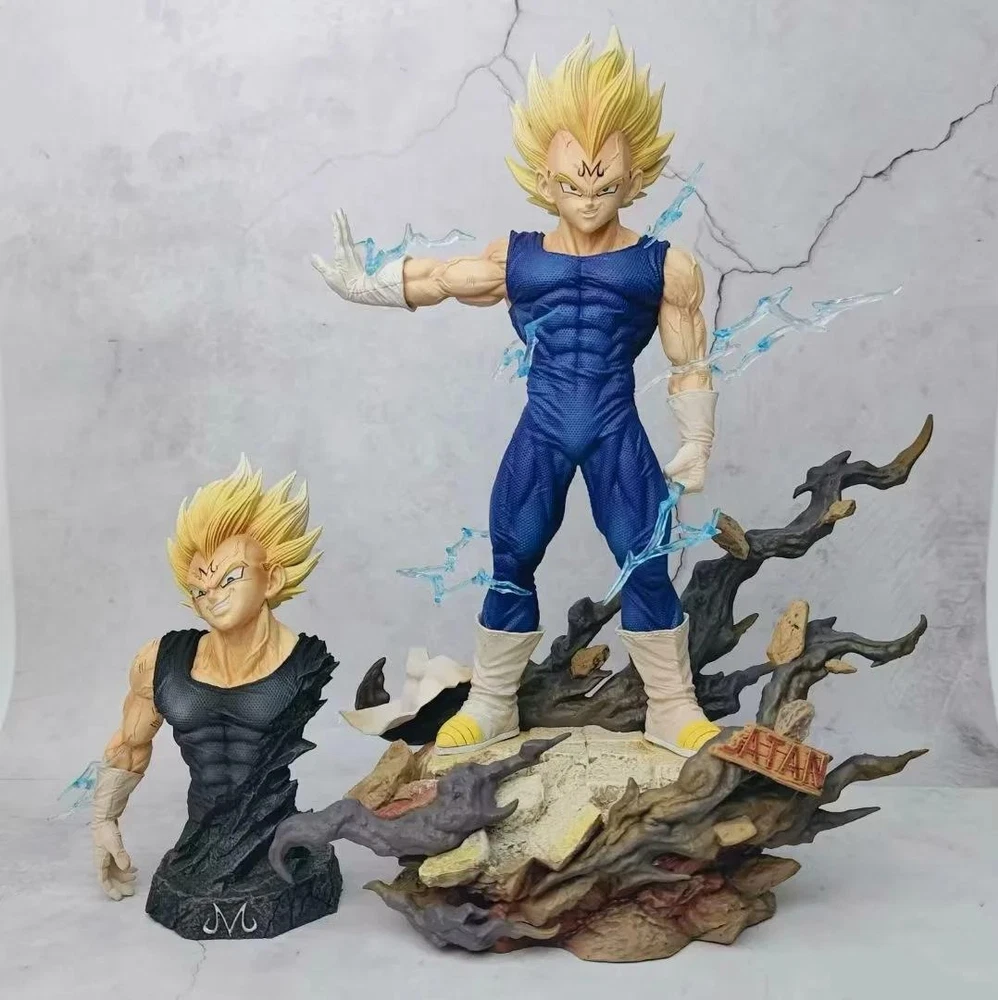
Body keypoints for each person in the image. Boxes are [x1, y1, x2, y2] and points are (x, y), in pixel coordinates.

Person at [313, 30, 720, 758]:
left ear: (635, 177)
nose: (588, 199)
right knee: (512, 555)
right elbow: (440, 278)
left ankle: (670, 704)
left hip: (614, 426)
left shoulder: (664, 265)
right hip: (543, 426)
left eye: (604, 186)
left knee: (646, 558)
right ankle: (494, 701)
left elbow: (690, 359)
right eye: (572, 185)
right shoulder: (519, 259)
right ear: (544, 178)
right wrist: (364, 285)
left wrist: (698, 438)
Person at [91, 458, 340, 937]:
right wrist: (103, 820)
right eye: (199, 588)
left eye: (229, 578)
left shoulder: (307, 661)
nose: (213, 596)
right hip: (195, 849)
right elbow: (129, 744)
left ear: (272, 580)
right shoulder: (159, 660)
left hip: (278, 844)